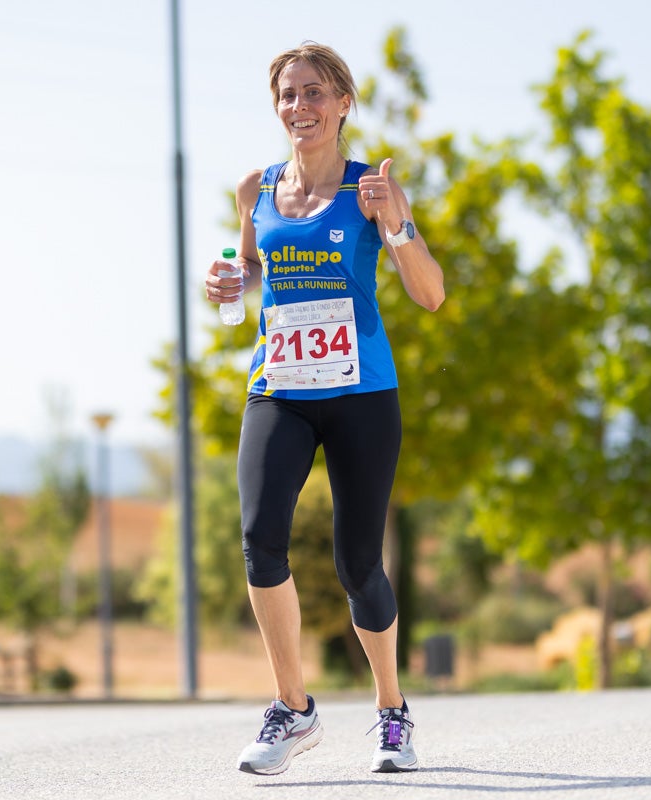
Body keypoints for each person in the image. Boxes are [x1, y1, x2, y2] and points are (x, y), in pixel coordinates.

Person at [204, 42, 445, 776]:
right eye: (288, 94)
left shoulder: (371, 189)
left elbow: (431, 295)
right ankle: (293, 707)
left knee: (358, 565)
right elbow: (253, 267)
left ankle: (392, 710)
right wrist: (230, 282)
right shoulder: (255, 188)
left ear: (343, 103)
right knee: (260, 539)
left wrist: (396, 223)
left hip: (361, 394)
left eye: (314, 92)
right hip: (279, 386)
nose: (299, 106)